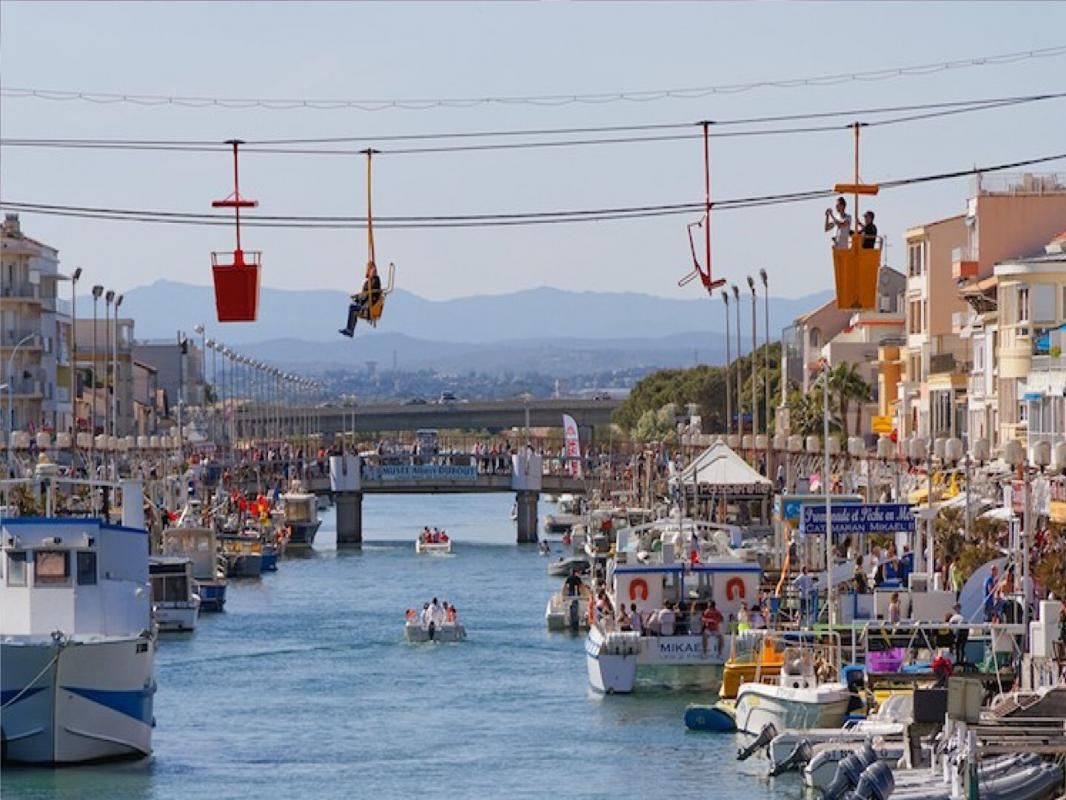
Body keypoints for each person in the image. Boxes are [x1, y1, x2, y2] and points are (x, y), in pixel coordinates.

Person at [339, 262, 383, 337]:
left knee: (352, 308)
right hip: (365, 303)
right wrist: (358, 297)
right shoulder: (368, 282)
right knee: (353, 308)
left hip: (369, 307)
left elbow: (370, 292)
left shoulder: (375, 280)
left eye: (371, 270)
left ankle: (350, 329)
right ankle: (350, 330)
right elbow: (365, 293)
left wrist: (361, 296)